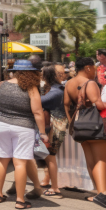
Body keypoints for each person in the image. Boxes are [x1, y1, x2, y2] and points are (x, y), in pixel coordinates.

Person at [0, 59, 50, 209]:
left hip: (1, 124)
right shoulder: (30, 88)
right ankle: (19, 200)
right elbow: (37, 112)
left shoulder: (2, 85)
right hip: (23, 127)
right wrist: (42, 132)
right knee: (20, 163)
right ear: (31, 72)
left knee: (1, 160)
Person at [65, 57, 106, 209]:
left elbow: (67, 105)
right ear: (87, 68)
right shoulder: (90, 83)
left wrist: (73, 123)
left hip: (81, 128)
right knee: (100, 161)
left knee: (91, 161)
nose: (95, 71)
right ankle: (103, 194)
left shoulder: (69, 83)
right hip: (96, 126)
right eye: (93, 68)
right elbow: (97, 104)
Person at [37, 65, 66, 198]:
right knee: (50, 157)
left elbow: (37, 102)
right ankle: (48, 182)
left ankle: (55, 188)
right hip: (57, 125)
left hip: (54, 126)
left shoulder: (56, 92)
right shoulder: (57, 89)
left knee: (50, 157)